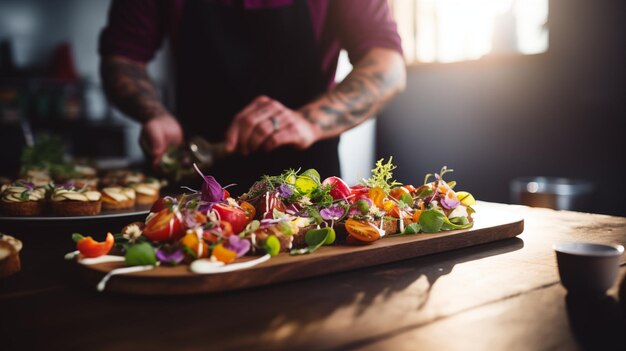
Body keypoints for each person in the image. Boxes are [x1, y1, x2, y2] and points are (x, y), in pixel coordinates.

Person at [99, 0, 406, 191]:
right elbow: (122, 58)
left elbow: (388, 67)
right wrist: (155, 114)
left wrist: (308, 122)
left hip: (307, 182)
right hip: (197, 172)